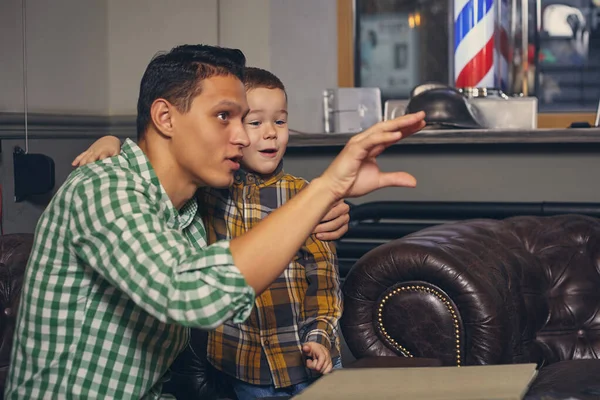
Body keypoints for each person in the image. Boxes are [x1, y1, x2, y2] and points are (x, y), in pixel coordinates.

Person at [5, 44, 425, 399]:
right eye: (225, 116)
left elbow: (263, 218)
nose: (243, 137)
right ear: (166, 118)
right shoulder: (102, 188)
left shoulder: (192, 208)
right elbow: (188, 292)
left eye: (246, 119)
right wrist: (327, 187)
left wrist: (322, 206)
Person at [74, 67, 347, 399]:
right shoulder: (206, 193)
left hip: (304, 359)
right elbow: (159, 176)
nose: (269, 134)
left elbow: (324, 281)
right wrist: (111, 140)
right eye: (254, 122)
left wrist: (320, 335)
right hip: (243, 367)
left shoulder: (304, 197)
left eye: (280, 121)